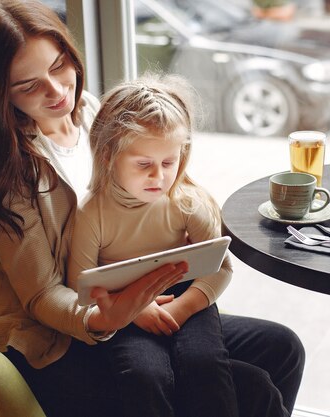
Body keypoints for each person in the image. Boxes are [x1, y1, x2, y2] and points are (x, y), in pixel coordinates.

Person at [0, 1, 304, 416]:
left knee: (282, 348)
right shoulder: (2, 175)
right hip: (41, 333)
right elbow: (42, 295)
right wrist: (108, 315)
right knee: (252, 389)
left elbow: (160, 181)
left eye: (60, 65)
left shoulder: (92, 112)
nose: (58, 91)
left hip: (123, 299)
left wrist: (178, 230)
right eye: (28, 85)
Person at [67, 74, 238, 417]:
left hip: (186, 296)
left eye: (169, 163)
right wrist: (135, 309)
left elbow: (221, 268)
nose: (158, 176)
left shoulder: (187, 201)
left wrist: (183, 308)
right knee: (145, 376)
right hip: (122, 311)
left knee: (204, 365)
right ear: (107, 157)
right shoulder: (91, 213)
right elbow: (80, 284)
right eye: (143, 164)